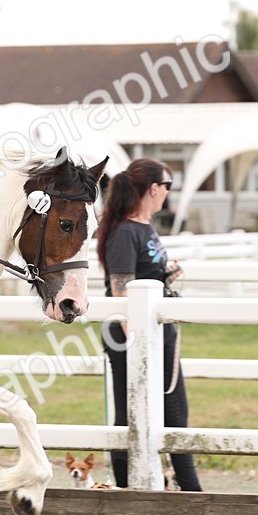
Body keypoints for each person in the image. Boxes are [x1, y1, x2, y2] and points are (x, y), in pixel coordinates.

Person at [95, 158, 201, 491]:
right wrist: (142, 346)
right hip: (133, 335)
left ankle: (184, 486)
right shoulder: (126, 232)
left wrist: (165, 275)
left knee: (173, 410)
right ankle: (175, 488)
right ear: (154, 189)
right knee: (134, 414)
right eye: (168, 186)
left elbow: (144, 274)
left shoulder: (144, 226)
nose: (168, 193)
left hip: (153, 332)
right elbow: (121, 290)